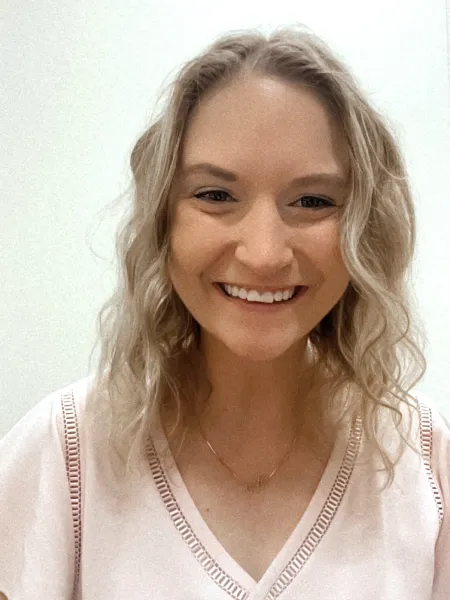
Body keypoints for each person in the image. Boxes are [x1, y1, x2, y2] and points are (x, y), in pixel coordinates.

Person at [0, 23, 448, 600]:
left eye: (312, 201)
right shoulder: (65, 452)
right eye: (215, 195)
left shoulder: (424, 459)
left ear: (365, 225)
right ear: (163, 218)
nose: (263, 254)